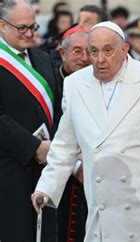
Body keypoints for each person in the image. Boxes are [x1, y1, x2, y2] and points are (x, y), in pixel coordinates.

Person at [31, 21, 140, 241]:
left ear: (124, 50)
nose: (100, 59)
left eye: (107, 50)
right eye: (94, 51)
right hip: (105, 208)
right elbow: (65, 144)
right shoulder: (75, 84)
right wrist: (46, 188)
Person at [0, 0, 61, 241]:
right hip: (10, 168)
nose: (29, 34)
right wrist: (34, 147)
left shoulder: (42, 59)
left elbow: (59, 107)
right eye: (22, 28)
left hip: (47, 167)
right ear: (2, 26)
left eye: (33, 27)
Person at [56, 25, 90, 242]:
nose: (84, 58)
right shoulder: (53, 83)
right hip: (63, 176)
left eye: (89, 51)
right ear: (62, 53)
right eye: (77, 51)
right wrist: (76, 166)